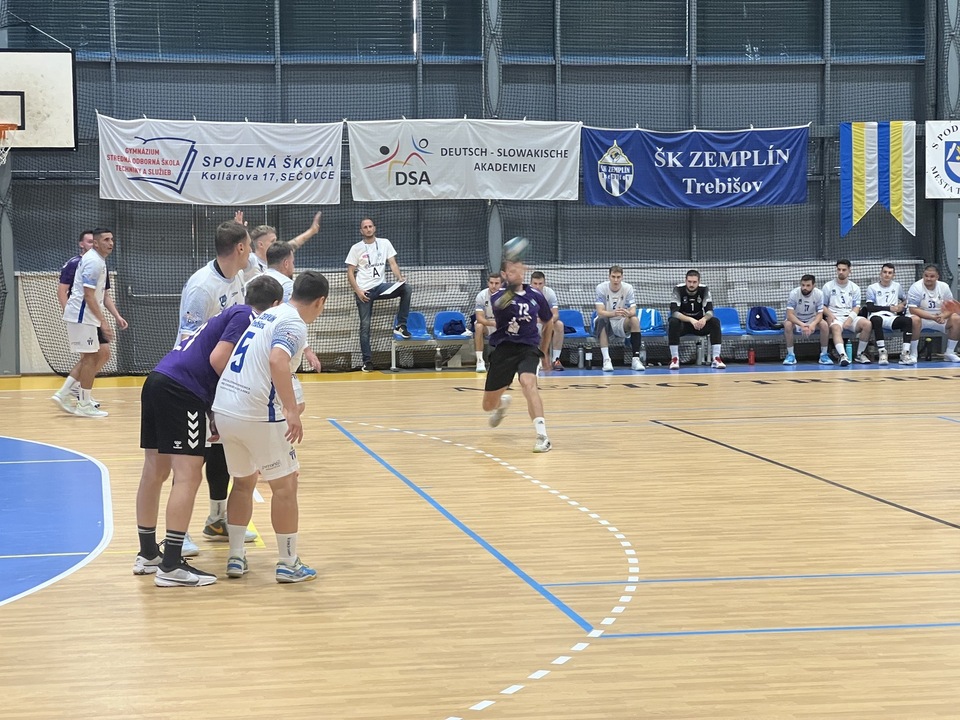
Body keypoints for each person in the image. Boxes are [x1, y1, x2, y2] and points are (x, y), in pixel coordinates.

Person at [134, 275, 284, 586]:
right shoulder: (247, 317)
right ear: (275, 306)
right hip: (183, 390)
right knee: (188, 475)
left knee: (154, 471)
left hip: (159, 379)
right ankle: (171, 565)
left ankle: (148, 554)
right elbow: (218, 360)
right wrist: (218, 407)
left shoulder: (231, 312)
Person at [212, 271, 330, 583]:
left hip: (225, 408)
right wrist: (291, 410)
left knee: (242, 483)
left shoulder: (269, 315)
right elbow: (278, 360)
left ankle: (236, 556)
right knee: (286, 486)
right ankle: (288, 563)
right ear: (320, 302)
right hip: (256, 413)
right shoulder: (294, 323)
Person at [177, 219, 256, 556]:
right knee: (190, 460)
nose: (251, 251)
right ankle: (178, 533)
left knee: (220, 448)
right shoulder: (201, 287)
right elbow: (188, 339)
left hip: (223, 380)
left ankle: (217, 519)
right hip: (195, 382)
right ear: (239, 248)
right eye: (248, 245)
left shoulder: (237, 276)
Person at [51, 230, 128, 412]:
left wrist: (115, 316)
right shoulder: (92, 262)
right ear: (96, 243)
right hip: (82, 316)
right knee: (91, 357)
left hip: (87, 316)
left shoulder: (99, 261)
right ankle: (82, 402)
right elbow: (88, 295)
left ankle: (67, 393)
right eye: (106, 239)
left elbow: (102, 295)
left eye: (112, 239)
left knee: (96, 356)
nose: (111, 243)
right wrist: (103, 322)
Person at [482, 258, 553, 453]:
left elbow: (548, 322)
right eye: (513, 271)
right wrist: (512, 288)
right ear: (504, 275)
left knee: (528, 383)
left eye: (520, 270)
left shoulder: (536, 295)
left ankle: (543, 436)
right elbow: (501, 304)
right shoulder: (499, 297)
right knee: (488, 405)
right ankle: (502, 405)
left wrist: (544, 352)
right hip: (504, 350)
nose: (518, 273)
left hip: (527, 348)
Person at [345, 218, 414, 372]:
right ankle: (367, 362)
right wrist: (358, 291)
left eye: (370, 226)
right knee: (365, 326)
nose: (368, 229)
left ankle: (401, 325)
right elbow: (350, 272)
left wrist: (399, 278)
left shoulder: (385, 243)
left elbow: (393, 263)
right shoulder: (356, 248)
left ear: (374, 228)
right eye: (365, 227)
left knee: (406, 289)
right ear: (361, 231)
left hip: (381, 287)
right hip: (365, 291)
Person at [264, 241, 322, 373]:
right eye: (293, 262)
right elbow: (294, 319)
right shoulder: (288, 286)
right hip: (279, 347)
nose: (293, 266)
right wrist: (307, 350)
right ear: (286, 263)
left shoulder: (252, 282)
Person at [241, 210, 322, 281]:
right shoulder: (251, 259)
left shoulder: (276, 258)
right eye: (272, 241)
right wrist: (240, 234)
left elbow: (294, 243)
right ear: (260, 244)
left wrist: (312, 231)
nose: (276, 243)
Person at [667, 269, 724, 370]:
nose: (691, 284)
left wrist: (704, 319)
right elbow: (674, 313)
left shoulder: (704, 289)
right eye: (689, 282)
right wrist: (690, 319)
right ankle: (675, 359)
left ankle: (716, 358)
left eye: (694, 282)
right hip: (684, 324)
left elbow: (710, 311)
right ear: (685, 281)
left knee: (715, 321)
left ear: (698, 282)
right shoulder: (678, 289)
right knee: (673, 322)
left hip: (698, 324)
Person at [906, 264, 960, 362]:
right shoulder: (916, 287)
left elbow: (951, 307)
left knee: (956, 318)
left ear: (937, 277)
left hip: (939, 318)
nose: (928, 279)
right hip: (922, 318)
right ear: (923, 275)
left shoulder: (944, 287)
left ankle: (950, 352)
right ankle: (913, 353)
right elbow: (913, 309)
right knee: (914, 320)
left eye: (932, 276)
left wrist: (943, 315)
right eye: (926, 276)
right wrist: (932, 317)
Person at [594, 266, 644, 372]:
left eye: (618, 277)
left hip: (621, 321)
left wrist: (628, 313)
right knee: (602, 319)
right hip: (606, 320)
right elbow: (600, 311)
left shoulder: (628, 288)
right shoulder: (601, 288)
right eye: (613, 277)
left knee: (634, 319)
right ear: (609, 276)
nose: (616, 280)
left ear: (622, 277)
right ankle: (606, 360)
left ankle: (636, 359)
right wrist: (613, 313)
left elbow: (633, 310)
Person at [821, 259, 871, 366]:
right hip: (835, 317)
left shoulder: (855, 287)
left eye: (844, 270)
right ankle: (843, 356)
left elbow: (856, 307)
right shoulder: (828, 286)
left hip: (849, 316)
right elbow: (822, 305)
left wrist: (850, 319)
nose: (841, 272)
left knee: (867, 324)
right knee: (836, 328)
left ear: (849, 271)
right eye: (839, 269)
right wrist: (829, 315)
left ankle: (860, 354)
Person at [864, 263, 913, 366]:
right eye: (885, 272)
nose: (887, 275)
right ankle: (882, 352)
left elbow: (906, 300)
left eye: (890, 273)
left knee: (908, 320)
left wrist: (901, 305)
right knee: (877, 319)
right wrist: (889, 308)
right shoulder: (872, 288)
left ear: (893, 275)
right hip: (877, 315)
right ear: (880, 273)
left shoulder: (897, 286)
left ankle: (905, 353)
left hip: (891, 317)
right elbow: (870, 307)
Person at [782, 274, 828, 365]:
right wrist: (802, 324)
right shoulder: (794, 293)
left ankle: (824, 355)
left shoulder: (819, 294)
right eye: (803, 285)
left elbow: (820, 314)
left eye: (808, 285)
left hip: (811, 319)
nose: (804, 288)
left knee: (824, 325)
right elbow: (789, 315)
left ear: (813, 286)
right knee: (787, 325)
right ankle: (791, 355)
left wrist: (813, 324)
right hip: (797, 319)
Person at [530, 271, 566, 370]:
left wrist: (547, 322)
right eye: (535, 283)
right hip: (530, 323)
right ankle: (535, 359)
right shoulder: (525, 294)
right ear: (531, 283)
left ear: (544, 283)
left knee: (559, 325)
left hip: (544, 322)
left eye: (540, 283)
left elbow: (556, 315)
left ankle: (556, 360)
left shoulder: (549, 293)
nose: (537, 286)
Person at [473, 272, 502, 373]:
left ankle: (512, 360)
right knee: (478, 326)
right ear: (488, 283)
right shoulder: (481, 296)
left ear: (501, 284)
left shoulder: (507, 296)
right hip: (488, 324)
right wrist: (493, 323)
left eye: (497, 283)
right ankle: (480, 361)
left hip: (502, 325)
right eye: (491, 283)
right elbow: (479, 318)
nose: (494, 286)